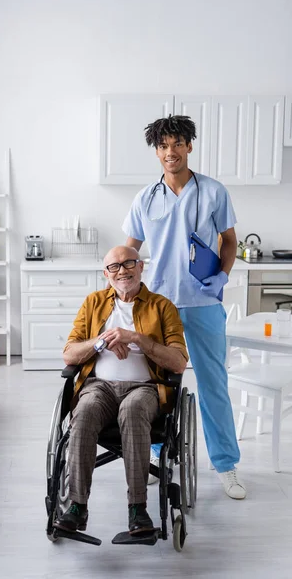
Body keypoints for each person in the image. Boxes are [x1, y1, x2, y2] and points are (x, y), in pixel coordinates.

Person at [122, 114, 246, 500]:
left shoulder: (213, 191)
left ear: (190, 146)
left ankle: (226, 465)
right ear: (156, 151)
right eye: (163, 146)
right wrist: (121, 278)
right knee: (158, 385)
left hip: (204, 302)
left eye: (177, 144)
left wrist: (222, 276)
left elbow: (229, 241)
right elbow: (130, 250)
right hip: (160, 305)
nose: (170, 152)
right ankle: (159, 457)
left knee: (213, 385)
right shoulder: (146, 198)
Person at [54, 245, 188, 535]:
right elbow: (70, 353)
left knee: (133, 408)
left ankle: (138, 509)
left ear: (141, 267)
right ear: (106, 273)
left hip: (144, 388)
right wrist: (102, 341)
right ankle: (77, 506)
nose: (122, 270)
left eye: (128, 263)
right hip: (98, 387)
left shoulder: (162, 307)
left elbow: (178, 361)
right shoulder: (93, 303)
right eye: (114, 266)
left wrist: (136, 338)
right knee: (85, 410)